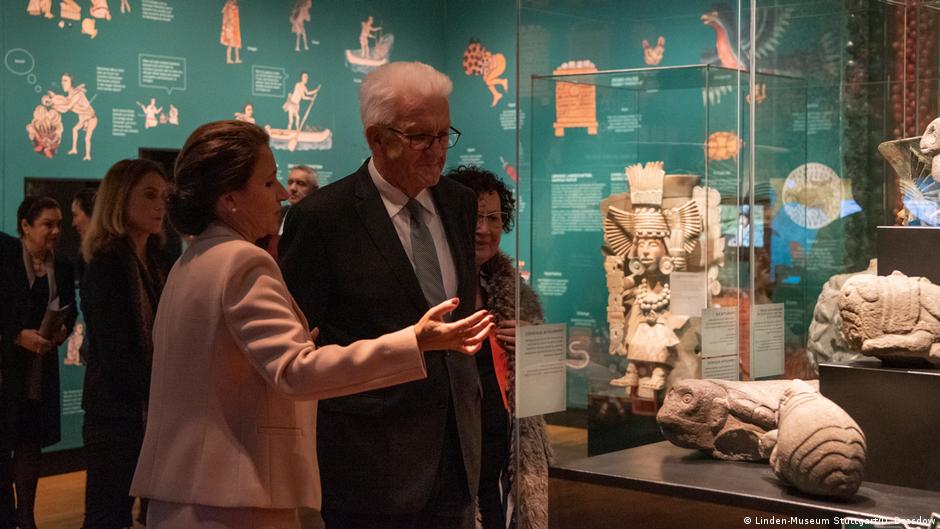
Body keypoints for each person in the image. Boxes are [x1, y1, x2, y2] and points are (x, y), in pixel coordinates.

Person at [130, 120, 492, 529]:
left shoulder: (189, 263)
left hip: (185, 493)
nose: (283, 194)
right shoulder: (243, 262)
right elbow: (295, 372)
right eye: (269, 182)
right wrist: (415, 342)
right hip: (235, 499)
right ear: (229, 198)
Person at [280, 61, 478, 529]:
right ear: (376, 139)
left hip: (455, 453)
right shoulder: (322, 219)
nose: (437, 151)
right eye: (420, 137)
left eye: (444, 135)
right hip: (368, 464)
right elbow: (300, 350)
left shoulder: (458, 202)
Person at [446, 166, 553, 529]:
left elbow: (542, 390)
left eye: (494, 218)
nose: (484, 229)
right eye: (474, 217)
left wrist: (533, 343)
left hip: (503, 461)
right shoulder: (434, 288)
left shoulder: (514, 293)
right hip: (450, 461)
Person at [79, 159, 173, 529]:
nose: (160, 205)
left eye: (163, 196)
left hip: (153, 411)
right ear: (120, 199)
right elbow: (115, 351)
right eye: (149, 195)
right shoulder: (106, 263)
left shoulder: (158, 260)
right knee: (107, 515)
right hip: (115, 415)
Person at [0, 196, 76, 529]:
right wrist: (18, 335)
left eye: (59, 223)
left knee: (30, 440)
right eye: (48, 224)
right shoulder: (5, 259)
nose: (56, 231)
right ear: (25, 226)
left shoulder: (63, 265)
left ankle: (26, 516)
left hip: (39, 368)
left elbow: (70, 310)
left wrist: (61, 332)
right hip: (7, 365)